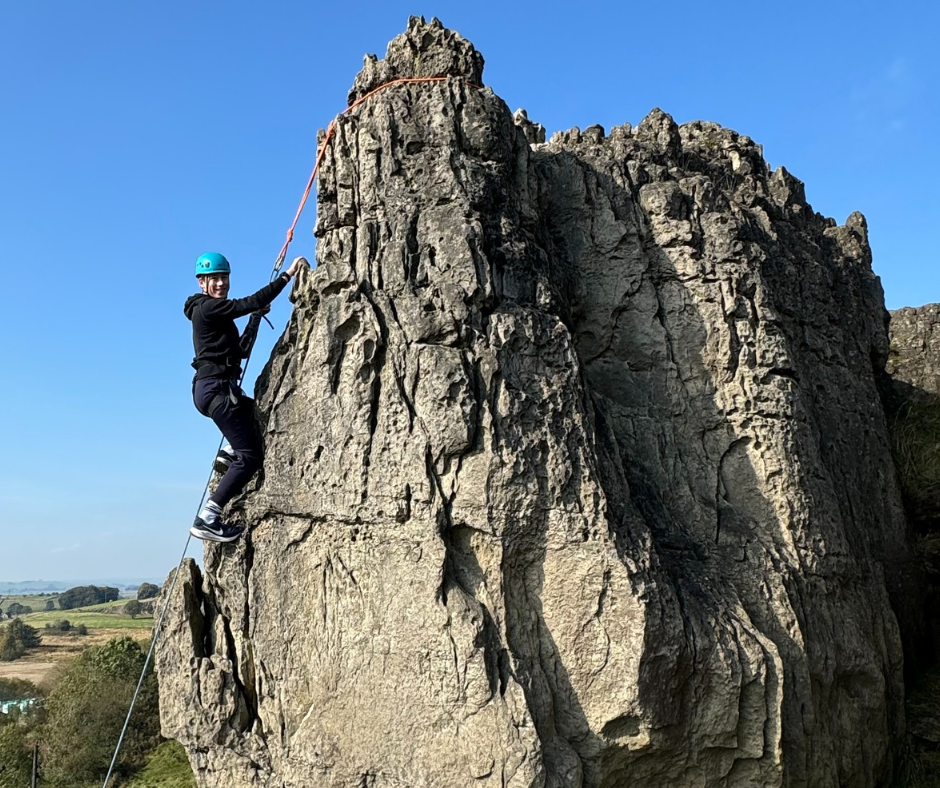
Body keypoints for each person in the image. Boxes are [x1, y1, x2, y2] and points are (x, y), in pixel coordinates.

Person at [183, 252, 307, 542]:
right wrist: (287, 275)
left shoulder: (216, 314)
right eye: (214, 278)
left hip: (214, 388)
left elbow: (240, 352)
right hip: (215, 389)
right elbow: (248, 302)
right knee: (250, 456)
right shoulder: (206, 308)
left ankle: (229, 451)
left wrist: (254, 320)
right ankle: (209, 517)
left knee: (263, 413)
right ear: (202, 282)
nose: (220, 283)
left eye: (224, 277)